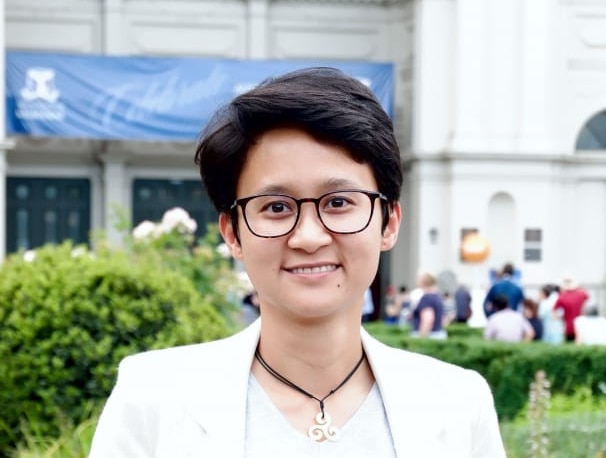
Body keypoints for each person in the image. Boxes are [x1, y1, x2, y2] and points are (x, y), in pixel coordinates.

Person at [88, 67, 505, 457]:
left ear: (389, 222)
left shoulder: (457, 404)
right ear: (232, 232)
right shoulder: (153, 397)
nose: (308, 237)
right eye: (275, 207)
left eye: (339, 202)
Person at [410, 271, 448, 340]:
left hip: (429, 336)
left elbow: (427, 320)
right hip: (438, 334)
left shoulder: (427, 298)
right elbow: (444, 320)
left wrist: (421, 338)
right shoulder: (437, 296)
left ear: (422, 282)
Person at [553, 275, 589, 342]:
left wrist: (562, 318)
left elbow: (554, 313)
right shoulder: (582, 294)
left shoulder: (561, 297)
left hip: (568, 327)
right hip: (581, 326)